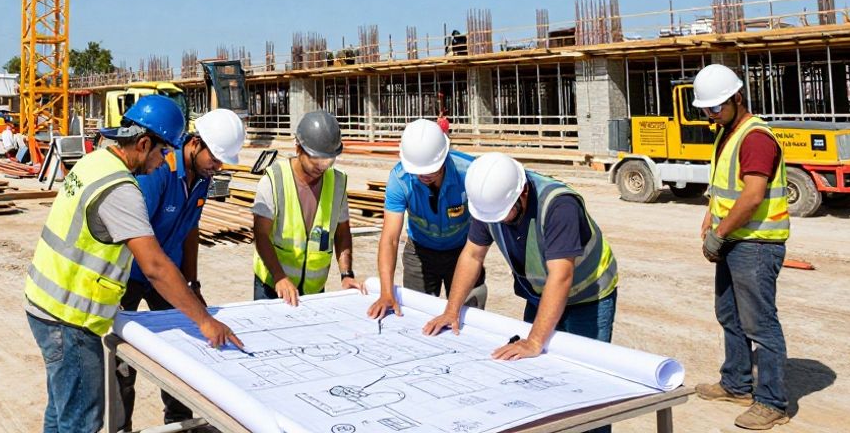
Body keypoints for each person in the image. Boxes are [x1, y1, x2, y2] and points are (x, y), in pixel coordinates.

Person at [24, 95, 242, 433]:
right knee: (82, 419)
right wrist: (205, 321)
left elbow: (186, 232)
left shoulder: (95, 162)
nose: (163, 160)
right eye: (161, 152)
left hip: (48, 302)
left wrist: (192, 283)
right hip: (68, 316)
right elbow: (153, 264)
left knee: (62, 411)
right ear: (142, 143)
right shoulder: (123, 188)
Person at [424, 153, 620, 432]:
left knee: (585, 387)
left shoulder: (558, 206)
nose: (499, 222)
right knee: (536, 380)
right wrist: (451, 309)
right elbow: (472, 255)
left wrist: (535, 340)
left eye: (503, 215)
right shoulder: (490, 201)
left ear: (523, 193)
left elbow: (561, 276)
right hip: (540, 295)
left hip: (588, 295)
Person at [117, 109, 246, 431]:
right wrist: (199, 313)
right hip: (132, 276)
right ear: (195, 143)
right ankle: (121, 427)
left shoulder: (202, 179)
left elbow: (191, 231)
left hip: (169, 274)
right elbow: (140, 241)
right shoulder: (158, 171)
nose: (218, 166)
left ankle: (181, 422)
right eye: (215, 157)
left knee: (183, 351)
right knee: (122, 361)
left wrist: (193, 281)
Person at [691, 64, 792, 430]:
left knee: (760, 324)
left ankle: (771, 401)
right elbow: (722, 187)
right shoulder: (727, 133)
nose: (710, 115)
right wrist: (709, 219)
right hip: (734, 239)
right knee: (729, 316)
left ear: (737, 98)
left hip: (756, 244)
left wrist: (721, 234)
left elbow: (751, 197)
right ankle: (736, 383)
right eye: (705, 109)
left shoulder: (756, 137)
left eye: (716, 108)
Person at [367, 119, 486, 322]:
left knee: (467, 319)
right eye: (418, 170)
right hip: (420, 253)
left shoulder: (469, 172)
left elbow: (483, 235)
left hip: (462, 252)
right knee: (417, 317)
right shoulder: (400, 179)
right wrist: (386, 292)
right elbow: (390, 239)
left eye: (430, 169)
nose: (423, 175)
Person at [251, 110, 361, 304]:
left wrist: (347, 274)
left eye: (328, 159)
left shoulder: (337, 182)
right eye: (316, 159)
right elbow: (261, 234)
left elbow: (342, 232)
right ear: (298, 148)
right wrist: (279, 277)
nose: (322, 166)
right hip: (272, 286)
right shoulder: (274, 180)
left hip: (314, 290)